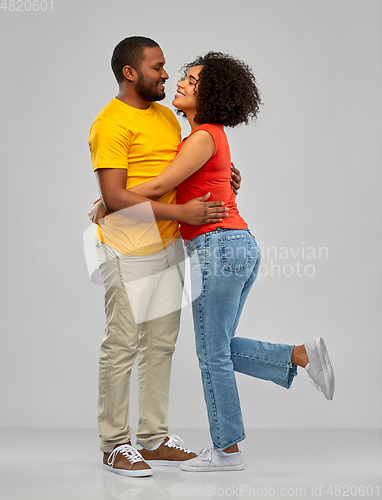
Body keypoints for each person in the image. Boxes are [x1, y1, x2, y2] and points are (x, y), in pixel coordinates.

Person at [121, 51, 335, 472]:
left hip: (217, 248)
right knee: (216, 348)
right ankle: (299, 355)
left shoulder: (203, 137)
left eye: (193, 81)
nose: (181, 83)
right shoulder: (205, 138)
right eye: (184, 77)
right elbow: (202, 182)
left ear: (212, 94)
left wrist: (112, 201)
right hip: (235, 246)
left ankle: (226, 451)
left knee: (211, 352)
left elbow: (163, 183)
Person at [88, 37, 241, 478]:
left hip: (168, 244)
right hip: (125, 247)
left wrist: (224, 174)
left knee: (160, 345)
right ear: (130, 73)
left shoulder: (167, 119)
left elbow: (179, 169)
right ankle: (114, 444)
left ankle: (153, 438)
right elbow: (117, 196)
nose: (166, 75)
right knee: (121, 347)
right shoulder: (109, 124)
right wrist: (114, 203)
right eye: (158, 67)